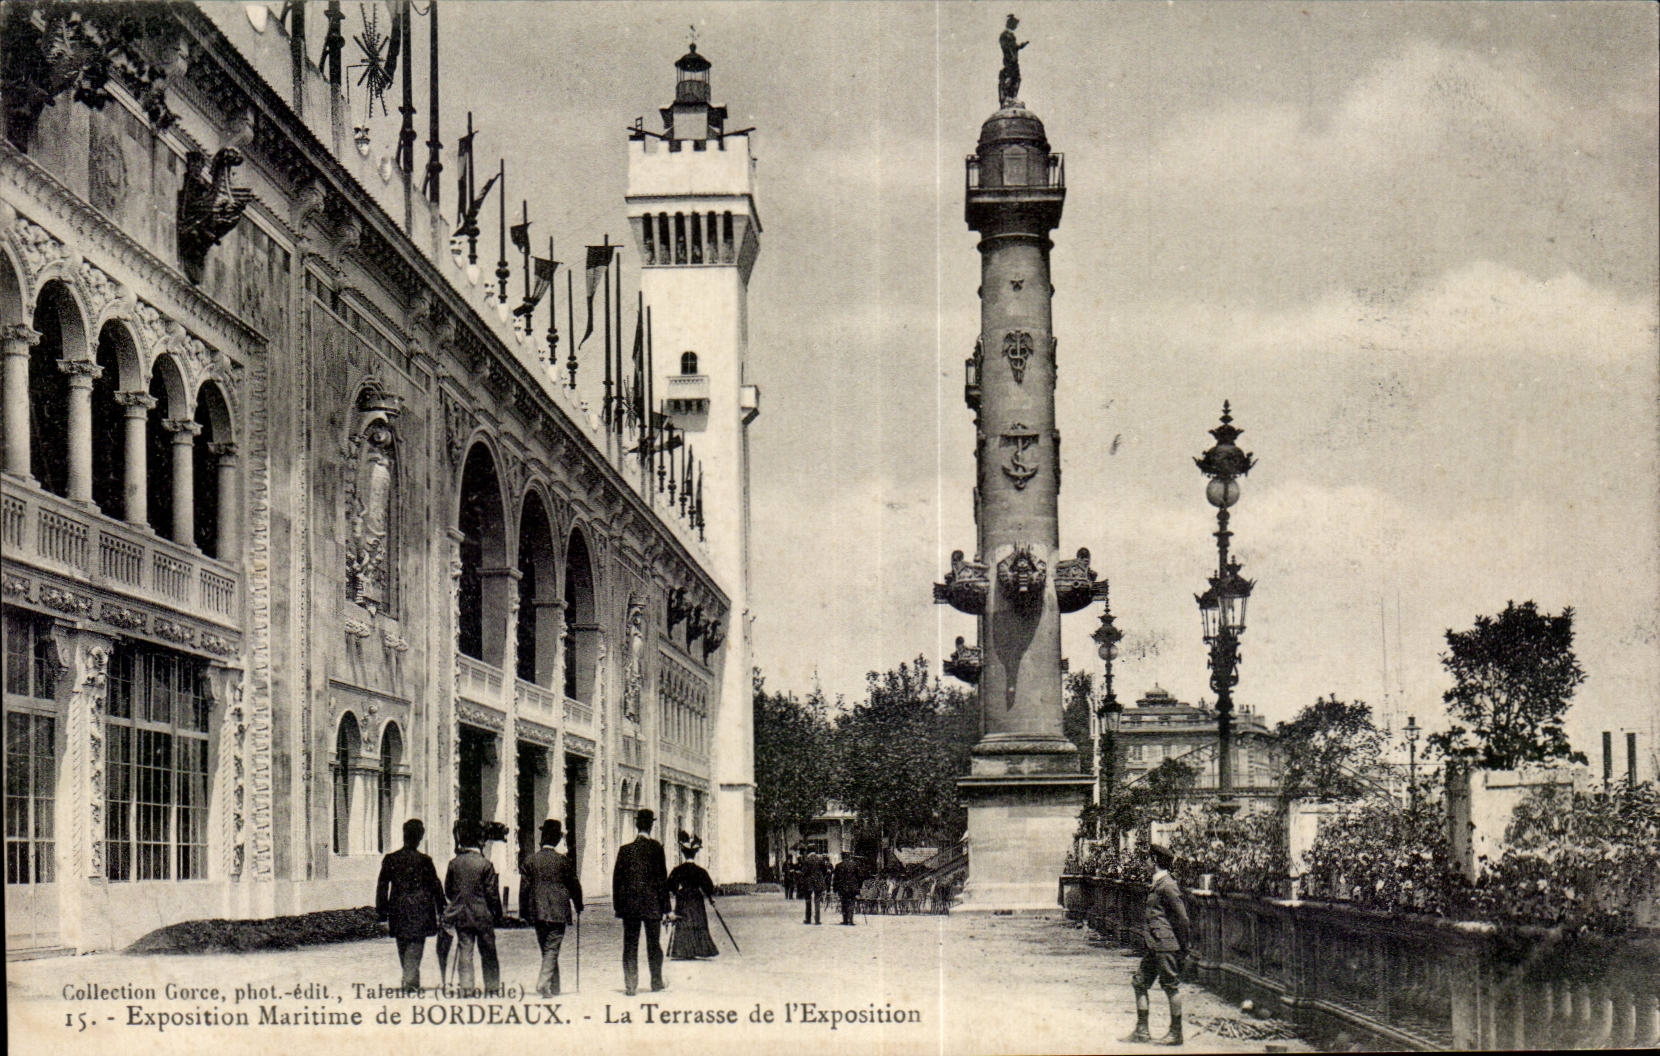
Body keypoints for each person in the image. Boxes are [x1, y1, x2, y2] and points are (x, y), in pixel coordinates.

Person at [1123, 843, 1191, 1046]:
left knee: (1170, 986)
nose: (1144, 863)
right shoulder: (1158, 883)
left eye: (1147, 859)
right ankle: (1142, 1031)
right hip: (1154, 944)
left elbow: (1182, 919)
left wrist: (1183, 947)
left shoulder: (1168, 885)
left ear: (1154, 861)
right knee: (1139, 982)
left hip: (1165, 945)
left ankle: (1176, 1033)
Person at [374, 818, 446, 991]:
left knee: (403, 946)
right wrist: (442, 907)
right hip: (421, 909)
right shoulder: (424, 860)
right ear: (420, 837)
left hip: (398, 909)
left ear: (404, 835)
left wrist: (382, 912)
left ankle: (410, 980)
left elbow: (382, 886)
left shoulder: (391, 859)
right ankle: (410, 980)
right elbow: (435, 885)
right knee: (416, 945)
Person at [519, 818, 583, 997]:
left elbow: (524, 890)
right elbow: (574, 885)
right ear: (557, 840)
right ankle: (543, 983)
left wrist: (524, 913)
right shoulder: (564, 861)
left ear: (542, 838)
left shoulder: (530, 861)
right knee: (552, 948)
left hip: (538, 912)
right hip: (558, 911)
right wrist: (578, 905)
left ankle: (554, 987)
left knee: (546, 949)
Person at [439, 819, 502, 993]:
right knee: (488, 951)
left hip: (462, 913)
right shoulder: (485, 864)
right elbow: (492, 894)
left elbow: (448, 890)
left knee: (465, 950)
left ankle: (466, 987)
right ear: (479, 842)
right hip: (482, 915)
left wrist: (459, 901)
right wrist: (497, 913)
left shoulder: (454, 863)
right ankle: (492, 987)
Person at [612, 807, 670, 995]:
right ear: (651, 826)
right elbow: (662, 880)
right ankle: (656, 982)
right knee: (654, 944)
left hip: (630, 906)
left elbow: (617, 880)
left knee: (630, 945)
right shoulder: (657, 848)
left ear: (637, 825)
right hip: (653, 905)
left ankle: (630, 985)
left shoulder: (625, 850)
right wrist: (667, 908)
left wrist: (618, 906)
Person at [666, 831, 719, 959]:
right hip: (696, 898)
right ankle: (699, 949)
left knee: (684, 921)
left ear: (683, 853)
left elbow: (670, 885)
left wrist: (676, 892)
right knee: (697, 921)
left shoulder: (678, 870)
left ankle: (684, 950)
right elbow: (708, 887)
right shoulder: (700, 871)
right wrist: (710, 898)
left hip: (683, 897)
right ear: (695, 854)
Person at [998, 13, 1028, 108]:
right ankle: (1009, 97)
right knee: (1011, 77)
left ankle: (1012, 96)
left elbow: (1014, 47)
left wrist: (1021, 45)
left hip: (1013, 60)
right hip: (1010, 60)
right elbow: (1007, 48)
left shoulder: (1009, 35)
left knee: (1016, 77)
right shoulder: (1005, 35)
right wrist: (1011, 56)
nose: (1015, 26)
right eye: (1015, 24)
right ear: (1010, 24)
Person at [831, 852, 865, 925]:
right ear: (849, 857)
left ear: (842, 857)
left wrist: (835, 888)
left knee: (844, 903)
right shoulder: (855, 865)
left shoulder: (838, 866)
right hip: (853, 888)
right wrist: (859, 887)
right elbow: (860, 877)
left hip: (842, 888)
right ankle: (851, 920)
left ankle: (845, 920)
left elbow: (836, 878)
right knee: (851, 903)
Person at [800, 850, 830, 925]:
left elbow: (804, 872)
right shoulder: (820, 860)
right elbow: (824, 871)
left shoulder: (806, 860)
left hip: (808, 883)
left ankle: (808, 918)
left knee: (808, 900)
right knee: (817, 900)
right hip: (818, 882)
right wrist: (820, 877)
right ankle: (817, 919)